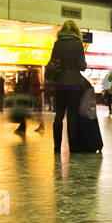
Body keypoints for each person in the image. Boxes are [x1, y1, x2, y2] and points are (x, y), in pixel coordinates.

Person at [44, 20, 89, 152]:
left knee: (59, 114)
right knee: (72, 115)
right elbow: (82, 66)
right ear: (76, 30)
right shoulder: (78, 44)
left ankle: (57, 147)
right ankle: (73, 147)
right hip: (74, 83)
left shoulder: (57, 44)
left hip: (59, 83)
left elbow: (53, 63)